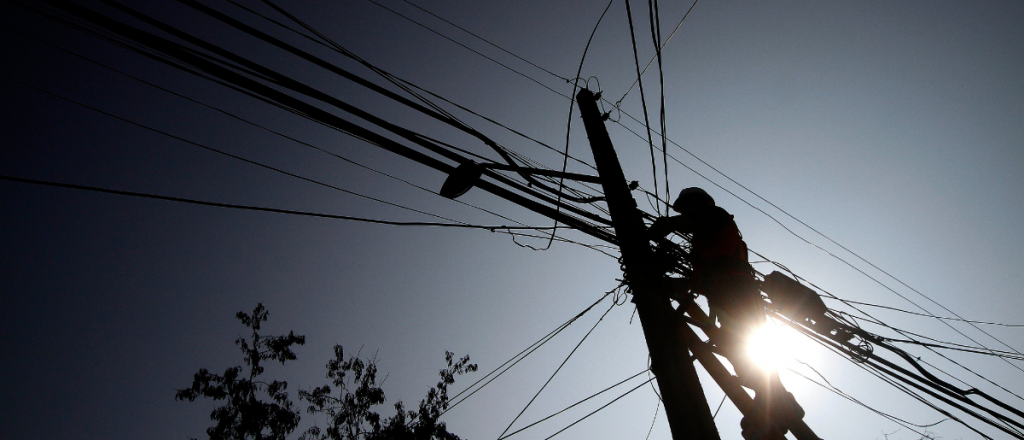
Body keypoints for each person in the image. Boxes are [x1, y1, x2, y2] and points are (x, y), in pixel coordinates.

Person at [650, 188, 799, 439]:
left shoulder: (714, 216)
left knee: (739, 345)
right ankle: (777, 402)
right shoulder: (707, 239)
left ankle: (777, 401)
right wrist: (679, 286)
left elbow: (693, 229)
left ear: (698, 204)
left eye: (687, 208)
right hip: (726, 294)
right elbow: (703, 272)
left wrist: (663, 226)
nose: (685, 213)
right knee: (737, 348)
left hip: (736, 292)